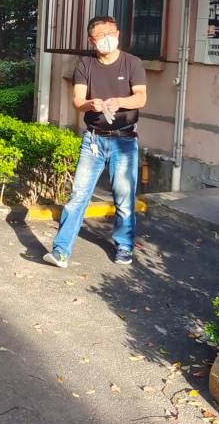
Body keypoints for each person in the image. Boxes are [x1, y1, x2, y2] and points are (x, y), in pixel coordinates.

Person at [43, 16, 147, 268]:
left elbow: (141, 97)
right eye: (100, 36)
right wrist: (92, 103)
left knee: (124, 197)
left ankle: (124, 246)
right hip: (93, 140)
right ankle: (61, 251)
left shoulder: (132, 63)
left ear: (118, 33)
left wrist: (119, 101)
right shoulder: (86, 65)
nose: (107, 39)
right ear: (92, 40)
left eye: (110, 33)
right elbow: (78, 101)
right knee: (78, 195)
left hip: (124, 141)